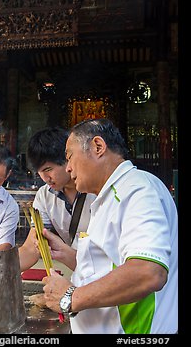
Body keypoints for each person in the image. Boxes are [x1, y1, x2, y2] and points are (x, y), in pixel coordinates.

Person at [42, 118, 178, 334]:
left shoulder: (136, 189)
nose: (68, 168)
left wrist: (70, 297)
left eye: (69, 156)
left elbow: (148, 271)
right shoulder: (108, 197)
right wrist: (68, 254)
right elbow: (111, 265)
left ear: (98, 146)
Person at [18, 127, 96, 272]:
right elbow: (31, 248)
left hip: (108, 274)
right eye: (39, 172)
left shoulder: (96, 189)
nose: (45, 178)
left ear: (67, 159)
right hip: (80, 275)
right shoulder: (45, 195)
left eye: (48, 170)